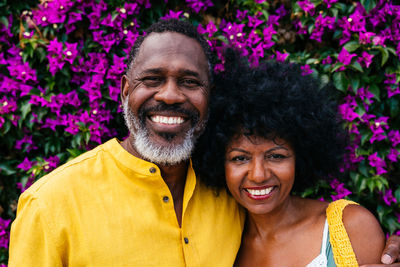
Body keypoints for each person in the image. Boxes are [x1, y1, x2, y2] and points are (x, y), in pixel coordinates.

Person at [8, 19, 400, 266]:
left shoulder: (229, 193)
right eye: (152, 79)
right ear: (125, 89)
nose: (172, 96)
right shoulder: (51, 205)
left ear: (211, 98)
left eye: (190, 82)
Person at [193, 50, 399, 267]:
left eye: (276, 156)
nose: (259, 175)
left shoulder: (349, 227)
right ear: (218, 162)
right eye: (240, 159)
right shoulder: (221, 248)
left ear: (299, 158)